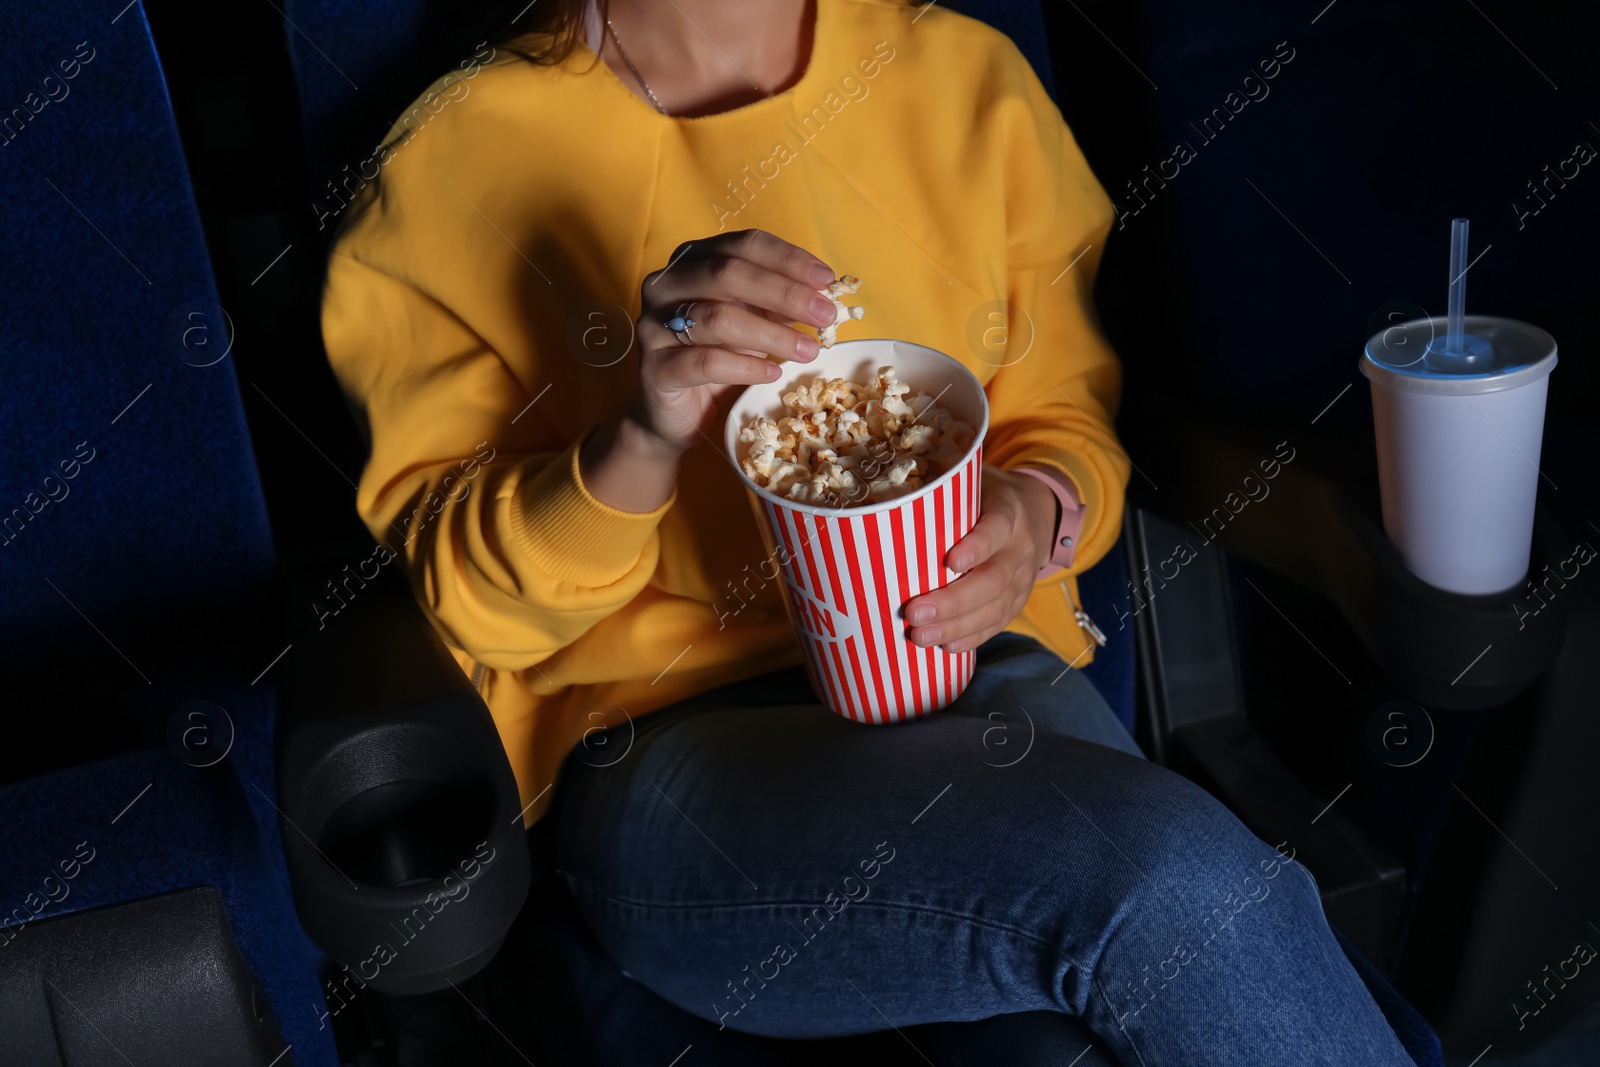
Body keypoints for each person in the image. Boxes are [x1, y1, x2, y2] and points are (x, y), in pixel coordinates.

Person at [320, 0, 1418, 1061]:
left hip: (986, 673)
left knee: (1064, 1039)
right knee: (1180, 885)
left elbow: (1064, 419)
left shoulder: (964, 81)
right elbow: (474, 610)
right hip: (669, 751)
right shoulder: (447, 163)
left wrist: (1034, 510)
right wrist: (643, 433)